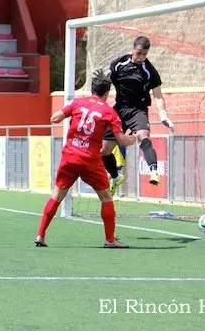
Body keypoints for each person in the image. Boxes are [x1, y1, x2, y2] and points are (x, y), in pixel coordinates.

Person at [35, 70, 136, 248]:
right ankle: (110, 240)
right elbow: (121, 139)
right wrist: (133, 139)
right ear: (106, 93)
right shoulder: (108, 112)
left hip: (70, 157)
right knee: (106, 197)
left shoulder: (78, 103)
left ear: (92, 90)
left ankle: (40, 235)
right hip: (90, 160)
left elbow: (55, 118)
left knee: (57, 195)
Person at [102, 36, 175, 190]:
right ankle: (115, 177)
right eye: (139, 53)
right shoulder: (119, 64)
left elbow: (158, 95)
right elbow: (107, 83)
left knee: (143, 136)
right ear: (133, 49)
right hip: (120, 109)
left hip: (138, 110)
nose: (141, 57)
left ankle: (154, 171)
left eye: (144, 54)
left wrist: (163, 113)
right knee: (104, 150)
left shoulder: (150, 71)